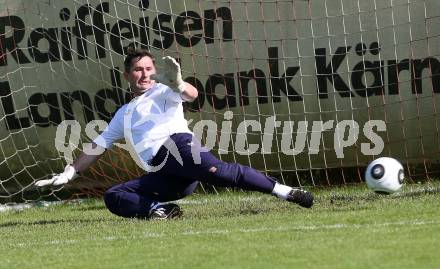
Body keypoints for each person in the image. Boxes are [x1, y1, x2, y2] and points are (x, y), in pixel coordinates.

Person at [35, 48, 314, 220]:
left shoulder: (163, 91)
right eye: (137, 70)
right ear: (126, 75)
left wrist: (178, 82)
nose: (144, 74)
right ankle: (160, 210)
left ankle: (287, 192)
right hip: (167, 175)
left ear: (155, 72)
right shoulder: (124, 113)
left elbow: (191, 94)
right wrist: (70, 172)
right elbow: (99, 144)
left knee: (223, 173)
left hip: (176, 148)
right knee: (114, 196)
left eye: (148, 69)